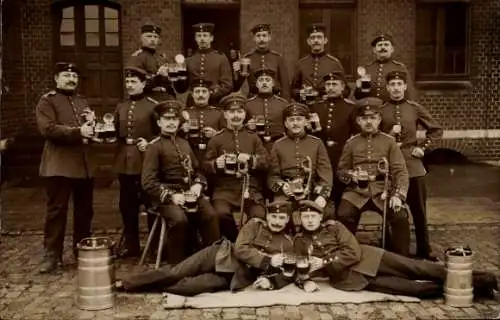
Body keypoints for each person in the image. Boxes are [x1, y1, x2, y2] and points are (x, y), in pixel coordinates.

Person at [293, 200, 498, 299]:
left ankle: (484, 279)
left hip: (371, 258)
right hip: (352, 279)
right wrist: (306, 278)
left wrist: (326, 263)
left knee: (419, 269)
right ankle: (471, 289)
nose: (310, 221)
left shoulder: (335, 227)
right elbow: (301, 268)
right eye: (305, 217)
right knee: (412, 289)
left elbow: (353, 252)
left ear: (320, 217)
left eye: (313, 216)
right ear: (299, 219)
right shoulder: (299, 241)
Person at [115, 201, 295, 295]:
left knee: (188, 287)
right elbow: (240, 248)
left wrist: (270, 282)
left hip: (234, 275)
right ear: (268, 216)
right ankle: (128, 282)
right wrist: (268, 260)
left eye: (281, 218)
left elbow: (287, 273)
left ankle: (148, 286)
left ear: (287, 220)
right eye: (273, 217)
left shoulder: (288, 244)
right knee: (176, 272)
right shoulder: (254, 224)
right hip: (220, 254)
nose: (277, 222)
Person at [35, 62, 97, 273]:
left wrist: (93, 125)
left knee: (84, 211)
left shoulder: (81, 101)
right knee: (56, 211)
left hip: (83, 165)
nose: (71, 79)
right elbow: (48, 129)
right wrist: (79, 131)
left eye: (74, 75)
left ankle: (82, 250)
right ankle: (52, 255)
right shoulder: (47, 101)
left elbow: (88, 130)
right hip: (59, 165)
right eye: (66, 75)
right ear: (56, 78)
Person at [141, 100, 219, 263]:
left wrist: (198, 184)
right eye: (167, 119)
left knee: (211, 215)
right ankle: (178, 264)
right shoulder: (154, 146)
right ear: (159, 122)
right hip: (166, 198)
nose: (170, 123)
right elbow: (148, 182)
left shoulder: (184, 143)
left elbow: (197, 170)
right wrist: (171, 197)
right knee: (179, 220)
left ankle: (210, 261)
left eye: (174, 119)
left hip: (189, 194)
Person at [336, 97, 411, 256]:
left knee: (400, 217)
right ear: (358, 121)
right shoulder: (351, 143)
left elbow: (400, 171)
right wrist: (352, 176)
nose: (368, 122)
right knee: (343, 214)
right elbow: (341, 170)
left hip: (383, 191)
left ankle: (400, 258)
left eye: (373, 118)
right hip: (356, 192)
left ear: (379, 119)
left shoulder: (389, 142)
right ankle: (349, 253)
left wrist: (398, 195)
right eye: (364, 118)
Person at [381, 70, 443, 260]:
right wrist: (390, 134)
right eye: (392, 84)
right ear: (387, 87)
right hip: (391, 164)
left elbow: (436, 129)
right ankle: (394, 249)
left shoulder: (414, 108)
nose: (396, 88)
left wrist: (423, 148)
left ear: (405, 87)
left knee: (419, 211)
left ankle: (424, 249)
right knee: (393, 209)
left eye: (399, 84)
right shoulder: (381, 111)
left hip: (413, 164)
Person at [203, 93, 269, 241]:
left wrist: (252, 160)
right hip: (224, 191)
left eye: (239, 112)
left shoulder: (253, 138)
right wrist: (215, 164)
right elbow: (205, 166)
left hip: (249, 189)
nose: (236, 116)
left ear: (245, 114)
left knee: (258, 215)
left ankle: (248, 244)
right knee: (220, 214)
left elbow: (266, 161)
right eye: (232, 112)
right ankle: (235, 242)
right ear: (225, 114)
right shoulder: (216, 139)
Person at [113, 67, 159, 258]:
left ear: (143, 83)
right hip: (125, 161)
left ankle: (154, 245)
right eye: (128, 82)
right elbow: (114, 132)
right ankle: (131, 245)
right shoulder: (121, 106)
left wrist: (149, 144)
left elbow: (161, 133)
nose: (130, 85)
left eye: (134, 82)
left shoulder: (152, 106)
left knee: (151, 203)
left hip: (145, 160)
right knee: (127, 204)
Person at [267, 102, 334, 227]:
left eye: (299, 119)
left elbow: (326, 173)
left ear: (306, 122)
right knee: (279, 212)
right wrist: (282, 186)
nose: (295, 123)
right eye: (291, 120)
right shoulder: (278, 145)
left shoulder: (317, 143)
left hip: (312, 189)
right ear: (286, 123)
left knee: (327, 212)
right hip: (286, 192)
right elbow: (272, 176)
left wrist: (322, 195)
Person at [309, 71, 357, 209]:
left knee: (339, 192)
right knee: (321, 192)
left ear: (342, 87)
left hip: (341, 155)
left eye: (334, 84)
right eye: (328, 84)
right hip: (320, 155)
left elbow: (356, 134)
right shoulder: (316, 106)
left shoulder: (350, 107)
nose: (330, 87)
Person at [128, 23, 186, 101]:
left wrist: (179, 75)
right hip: (147, 100)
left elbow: (172, 85)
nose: (152, 39)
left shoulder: (161, 57)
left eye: (155, 37)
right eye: (149, 36)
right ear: (141, 38)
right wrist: (158, 76)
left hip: (167, 98)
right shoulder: (137, 57)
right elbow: (134, 86)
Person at [291, 23, 344, 104]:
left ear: (325, 40)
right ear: (308, 41)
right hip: (306, 106)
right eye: (313, 38)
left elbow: (346, 89)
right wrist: (301, 93)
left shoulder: (334, 63)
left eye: (319, 37)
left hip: (327, 106)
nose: (316, 40)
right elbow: (293, 89)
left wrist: (333, 94)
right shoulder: (300, 63)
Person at [233, 23, 290, 99]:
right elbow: (237, 87)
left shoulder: (277, 58)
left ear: (269, 37)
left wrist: (284, 104)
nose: (261, 39)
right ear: (254, 38)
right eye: (258, 36)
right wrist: (237, 72)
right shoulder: (247, 58)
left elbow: (285, 86)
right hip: (254, 100)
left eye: (264, 35)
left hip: (274, 100)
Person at [354, 33, 416, 102]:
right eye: (380, 45)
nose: (383, 48)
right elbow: (360, 96)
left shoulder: (400, 67)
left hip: (391, 109)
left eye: (386, 45)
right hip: (372, 110)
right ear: (374, 50)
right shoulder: (367, 68)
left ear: (392, 49)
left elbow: (409, 93)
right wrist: (359, 88)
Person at [186, 23, 233, 105]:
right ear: (195, 38)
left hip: (215, 103)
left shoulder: (221, 58)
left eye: (205, 35)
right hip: (193, 103)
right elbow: (184, 86)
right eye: (199, 36)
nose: (202, 39)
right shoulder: (189, 59)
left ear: (211, 38)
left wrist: (209, 95)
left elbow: (227, 85)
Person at [181, 78, 225, 163]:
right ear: (192, 95)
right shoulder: (184, 112)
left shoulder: (219, 113)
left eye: (204, 92)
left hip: (212, 156)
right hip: (191, 155)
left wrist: (215, 134)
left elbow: (227, 135)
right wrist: (183, 131)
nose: (200, 95)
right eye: (197, 92)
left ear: (209, 94)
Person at [244, 68, 288, 151]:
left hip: (278, 146)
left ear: (273, 83)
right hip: (255, 147)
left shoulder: (283, 104)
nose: (264, 83)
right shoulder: (247, 104)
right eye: (261, 80)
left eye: (268, 80)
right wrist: (247, 126)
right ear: (256, 84)